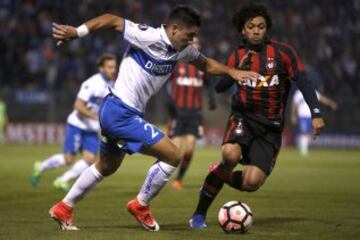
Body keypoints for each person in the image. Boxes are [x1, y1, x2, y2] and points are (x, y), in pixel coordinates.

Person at [50, 5, 260, 231]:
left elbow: (207, 64)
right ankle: (140, 205)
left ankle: (64, 207)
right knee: (173, 155)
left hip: (120, 111)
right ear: (174, 29)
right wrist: (77, 32)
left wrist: (233, 72)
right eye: (190, 35)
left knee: (106, 166)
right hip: (120, 111)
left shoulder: (182, 49)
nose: (192, 40)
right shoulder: (147, 35)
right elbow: (111, 19)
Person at [189, 4, 325, 229]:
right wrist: (234, 72)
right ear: (242, 30)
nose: (256, 31)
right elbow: (220, 87)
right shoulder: (237, 55)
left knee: (252, 183)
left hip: (271, 128)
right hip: (243, 117)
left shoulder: (283, 52)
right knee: (230, 156)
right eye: (250, 26)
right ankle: (199, 214)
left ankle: (217, 174)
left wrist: (316, 113)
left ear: (266, 29)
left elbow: (303, 81)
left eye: (261, 26)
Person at [30, 54, 117, 192]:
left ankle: (62, 180)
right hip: (77, 124)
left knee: (91, 160)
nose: (113, 70)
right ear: (101, 68)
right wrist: (95, 117)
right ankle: (40, 167)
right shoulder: (92, 83)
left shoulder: (112, 85)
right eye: (110, 67)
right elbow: (78, 105)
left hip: (91, 128)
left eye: (114, 67)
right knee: (68, 159)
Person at [167, 36, 216, 190]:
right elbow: (164, 83)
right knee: (173, 150)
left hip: (195, 113)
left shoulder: (202, 67)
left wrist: (212, 98)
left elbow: (209, 84)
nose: (195, 46)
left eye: (197, 43)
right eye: (192, 43)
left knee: (190, 149)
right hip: (178, 113)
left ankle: (179, 179)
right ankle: (160, 175)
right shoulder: (177, 64)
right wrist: (170, 105)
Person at [291, 89, 337, 156]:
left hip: (311, 116)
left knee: (308, 133)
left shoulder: (312, 91)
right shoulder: (298, 93)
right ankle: (303, 151)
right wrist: (293, 115)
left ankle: (303, 148)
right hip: (302, 116)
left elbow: (321, 98)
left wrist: (331, 103)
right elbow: (294, 104)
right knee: (304, 132)